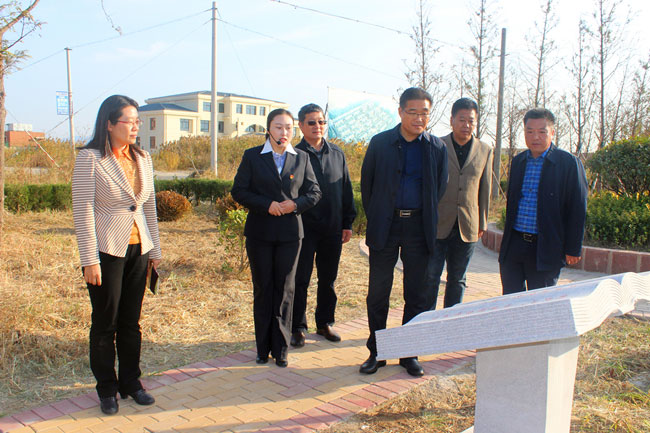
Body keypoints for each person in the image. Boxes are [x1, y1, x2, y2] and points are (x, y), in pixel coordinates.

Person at [72, 95, 161, 415]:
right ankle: (107, 389)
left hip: (139, 248)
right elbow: (83, 210)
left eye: (138, 121)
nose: (136, 127)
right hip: (106, 250)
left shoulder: (143, 157)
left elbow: (148, 206)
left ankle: (131, 383)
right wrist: (89, 260)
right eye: (130, 121)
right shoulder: (91, 158)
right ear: (109, 124)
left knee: (131, 322)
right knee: (105, 323)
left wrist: (155, 250)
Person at [360, 87, 448, 376]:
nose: (419, 118)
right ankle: (377, 351)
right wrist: (379, 215)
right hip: (386, 226)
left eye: (425, 113)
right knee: (378, 293)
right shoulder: (380, 143)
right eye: (413, 112)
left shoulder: (436, 148)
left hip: (418, 228)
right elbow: (368, 185)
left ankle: (409, 353)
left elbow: (439, 188)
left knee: (417, 294)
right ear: (400, 112)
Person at [232, 108, 321, 368]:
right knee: (263, 289)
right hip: (260, 233)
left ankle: (281, 348)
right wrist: (266, 204)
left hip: (290, 235)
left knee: (285, 289)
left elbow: (314, 192)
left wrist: (295, 204)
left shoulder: (301, 157)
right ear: (269, 129)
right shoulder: (252, 156)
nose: (284, 132)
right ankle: (262, 348)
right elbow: (239, 191)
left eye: (288, 128)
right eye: (279, 127)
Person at [499, 108, 588, 294]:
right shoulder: (518, 162)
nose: (535, 137)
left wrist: (573, 248)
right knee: (509, 300)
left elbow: (577, 208)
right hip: (515, 244)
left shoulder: (568, 164)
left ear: (552, 132)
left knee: (540, 301)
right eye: (530, 131)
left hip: (546, 247)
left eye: (542, 132)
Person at [290, 103, 356, 348]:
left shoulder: (337, 153)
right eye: (311, 122)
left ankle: (325, 322)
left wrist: (347, 222)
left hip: (332, 228)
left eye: (321, 122)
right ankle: (297, 327)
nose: (317, 126)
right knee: (300, 279)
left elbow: (346, 189)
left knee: (328, 279)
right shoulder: (294, 155)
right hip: (303, 229)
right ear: (301, 125)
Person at [429, 98, 493, 309]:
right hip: (438, 223)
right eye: (462, 119)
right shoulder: (436, 146)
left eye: (471, 121)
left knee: (458, 278)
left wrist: (482, 222)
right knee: (431, 276)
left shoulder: (485, 150)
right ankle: (428, 319)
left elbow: (485, 188)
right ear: (452, 120)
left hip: (467, 225)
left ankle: (451, 320)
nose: (466, 125)